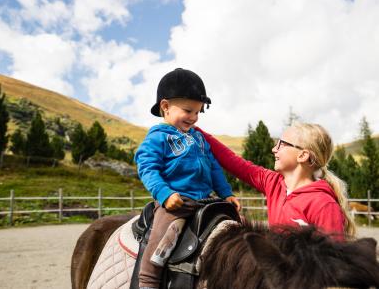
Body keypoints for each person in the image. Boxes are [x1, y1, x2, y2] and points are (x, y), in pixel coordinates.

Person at [134, 68, 241, 289]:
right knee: (157, 251)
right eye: (188, 110)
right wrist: (165, 194)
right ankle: (147, 281)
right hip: (176, 203)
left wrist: (226, 194)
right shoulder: (157, 138)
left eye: (198, 112)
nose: (194, 118)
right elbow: (147, 169)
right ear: (165, 106)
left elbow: (214, 169)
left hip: (206, 201)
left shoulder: (199, 138)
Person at [196, 122, 356, 239]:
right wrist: (195, 131)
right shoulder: (273, 183)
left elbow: (331, 265)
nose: (274, 149)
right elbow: (233, 162)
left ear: (303, 155)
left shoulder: (323, 205)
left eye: (281, 144)